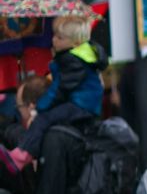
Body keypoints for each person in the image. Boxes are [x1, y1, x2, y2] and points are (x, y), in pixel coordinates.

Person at [10, 16, 108, 169]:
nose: (54, 40)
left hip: (81, 106)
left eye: (60, 37)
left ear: (74, 42)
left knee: (43, 119)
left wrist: (40, 108)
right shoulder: (80, 56)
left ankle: (23, 154)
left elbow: (59, 89)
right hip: (84, 104)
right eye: (54, 35)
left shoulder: (71, 61)